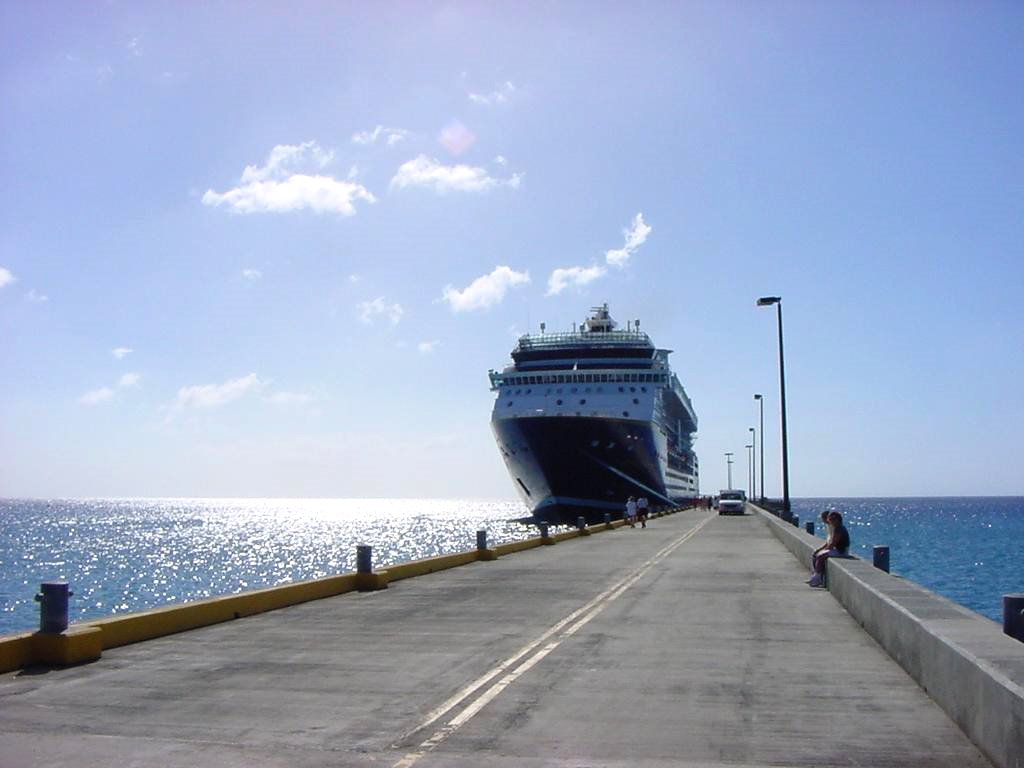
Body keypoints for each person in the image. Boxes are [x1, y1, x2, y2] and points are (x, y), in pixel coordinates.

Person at [809, 511, 850, 587]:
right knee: (816, 555)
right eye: (829, 519)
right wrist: (820, 549)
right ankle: (817, 576)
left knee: (820, 556)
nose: (830, 521)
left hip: (841, 551)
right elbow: (829, 543)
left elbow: (832, 544)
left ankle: (817, 578)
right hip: (837, 550)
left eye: (832, 519)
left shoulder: (839, 529)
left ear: (837, 520)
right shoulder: (835, 528)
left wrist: (823, 551)